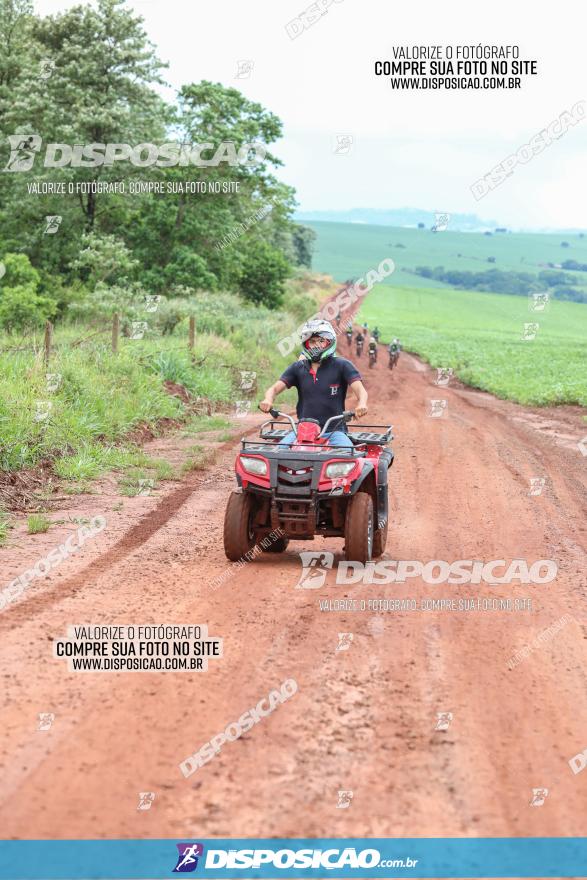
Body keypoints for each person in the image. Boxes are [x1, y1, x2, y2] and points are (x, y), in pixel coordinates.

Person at [260, 319, 368, 449]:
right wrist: (268, 399)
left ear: (329, 342)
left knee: (348, 457)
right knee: (277, 454)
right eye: (312, 341)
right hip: (302, 431)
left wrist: (362, 403)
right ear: (306, 344)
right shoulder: (297, 368)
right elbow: (274, 388)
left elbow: (360, 390)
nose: (316, 345)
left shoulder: (342, 365)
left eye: (321, 341)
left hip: (333, 432)